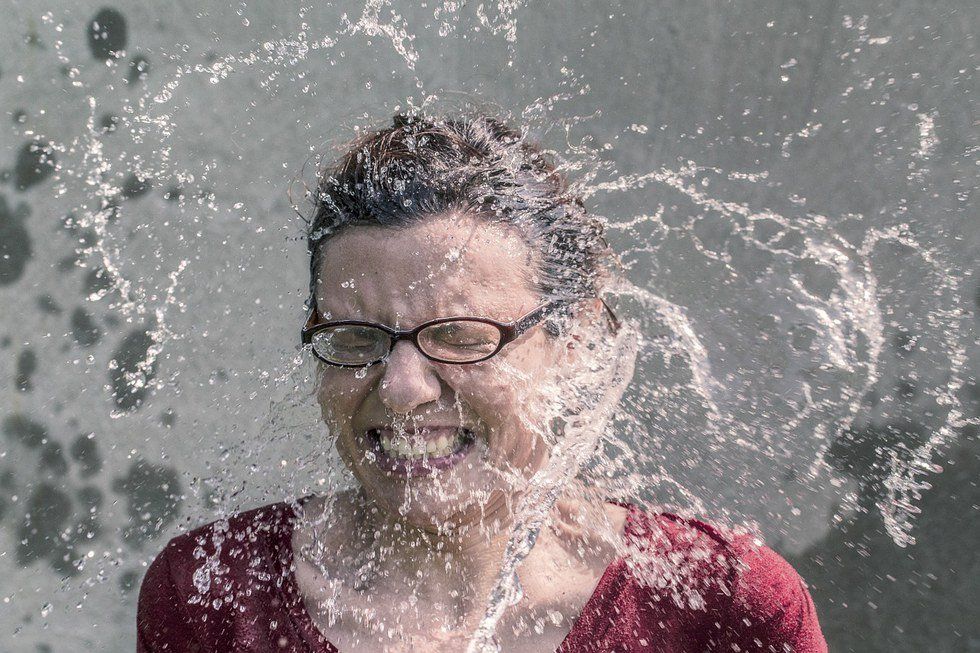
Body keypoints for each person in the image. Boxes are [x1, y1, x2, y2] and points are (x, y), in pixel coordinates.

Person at [137, 113, 827, 652]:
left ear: (576, 339)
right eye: (355, 340)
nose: (402, 388)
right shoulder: (211, 591)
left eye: (461, 336)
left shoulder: (722, 604)